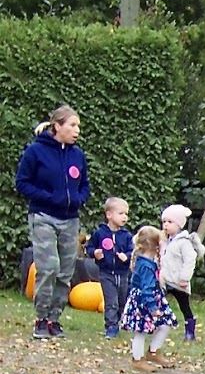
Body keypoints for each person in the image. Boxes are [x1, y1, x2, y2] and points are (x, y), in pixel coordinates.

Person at [15, 104, 91, 340]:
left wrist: (78, 199)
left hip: (70, 220)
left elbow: (85, 185)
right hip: (43, 217)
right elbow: (22, 183)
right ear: (57, 126)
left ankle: (54, 319)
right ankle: (40, 319)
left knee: (65, 272)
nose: (77, 130)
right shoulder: (35, 152)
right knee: (48, 268)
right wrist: (50, 198)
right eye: (72, 125)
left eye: (78, 125)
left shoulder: (77, 155)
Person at [121, 225, 178, 372]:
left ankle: (153, 352)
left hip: (153, 297)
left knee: (166, 323)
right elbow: (146, 289)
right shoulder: (145, 266)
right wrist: (152, 308)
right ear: (155, 245)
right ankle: (137, 359)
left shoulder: (149, 262)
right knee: (141, 331)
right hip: (145, 301)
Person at [90, 196, 134, 340]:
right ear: (109, 215)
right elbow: (90, 247)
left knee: (122, 301)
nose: (124, 217)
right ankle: (111, 327)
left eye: (126, 214)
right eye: (121, 213)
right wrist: (94, 253)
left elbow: (132, 251)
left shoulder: (126, 236)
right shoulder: (100, 233)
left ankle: (121, 321)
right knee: (111, 302)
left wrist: (126, 257)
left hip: (123, 274)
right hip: (106, 273)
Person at [159, 204, 204, 341]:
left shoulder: (184, 242)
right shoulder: (165, 241)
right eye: (164, 222)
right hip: (165, 280)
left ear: (179, 224)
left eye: (170, 222)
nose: (166, 225)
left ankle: (190, 329)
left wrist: (184, 278)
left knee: (184, 306)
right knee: (158, 302)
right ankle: (157, 326)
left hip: (179, 282)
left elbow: (190, 260)